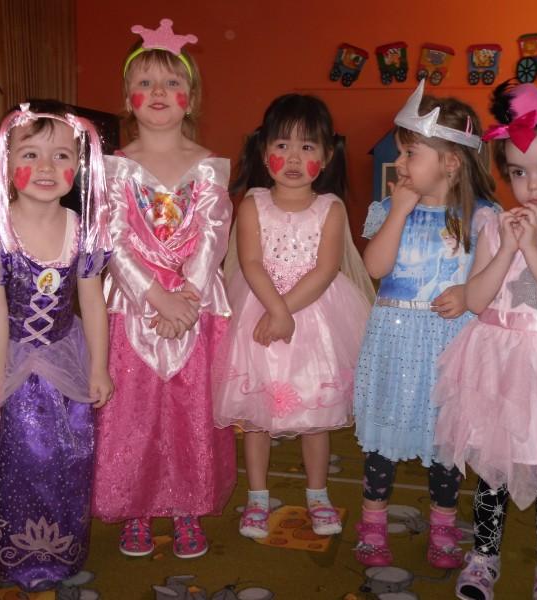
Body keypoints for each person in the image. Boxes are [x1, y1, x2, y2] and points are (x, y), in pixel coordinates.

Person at [434, 82, 537, 600]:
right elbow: (478, 300)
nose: (533, 185)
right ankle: (484, 558)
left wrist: (534, 248)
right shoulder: (495, 226)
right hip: (499, 369)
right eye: (519, 173)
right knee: (493, 469)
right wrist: (507, 246)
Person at [92, 18, 236, 560]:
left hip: (195, 309)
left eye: (171, 83)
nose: (158, 92)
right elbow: (113, 238)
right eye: (146, 82)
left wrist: (187, 299)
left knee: (188, 410)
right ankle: (136, 506)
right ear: (127, 97)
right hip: (134, 307)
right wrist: (157, 297)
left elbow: (214, 234)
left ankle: (187, 506)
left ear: (190, 99)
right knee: (133, 413)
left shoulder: (209, 167)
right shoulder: (114, 170)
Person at [0, 100, 113, 591]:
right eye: (30, 154)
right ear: (6, 164)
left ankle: (61, 550)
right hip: (7, 358)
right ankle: (17, 554)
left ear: (79, 165)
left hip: (66, 357)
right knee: (16, 460)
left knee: (69, 456)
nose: (46, 167)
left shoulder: (84, 232)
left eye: (61, 156)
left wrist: (99, 367)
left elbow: (92, 302)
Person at [353, 80, 498, 569]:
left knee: (445, 443)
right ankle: (372, 524)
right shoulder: (389, 208)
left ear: (451, 162)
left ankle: (442, 526)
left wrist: (468, 294)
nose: (401, 163)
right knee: (383, 439)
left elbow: (489, 285)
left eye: (411, 153)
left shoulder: (483, 219)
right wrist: (398, 210)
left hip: (449, 347)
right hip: (394, 342)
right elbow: (375, 267)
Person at [213, 93, 371, 539]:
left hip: (316, 320)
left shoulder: (331, 208)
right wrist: (276, 310)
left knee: (315, 417)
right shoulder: (253, 203)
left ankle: (318, 494)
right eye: (283, 145)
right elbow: (250, 262)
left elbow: (326, 269)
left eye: (308, 147)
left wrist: (287, 311)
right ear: (264, 153)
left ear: (327, 155)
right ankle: (257, 497)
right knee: (257, 417)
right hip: (260, 312)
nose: (295, 158)